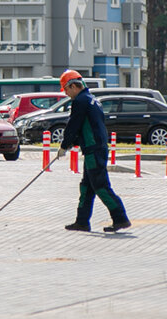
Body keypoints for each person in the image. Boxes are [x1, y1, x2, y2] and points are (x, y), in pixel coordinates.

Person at [55, 70, 132, 233]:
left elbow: (73, 125)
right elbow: (86, 127)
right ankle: (82, 222)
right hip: (96, 148)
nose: (67, 94)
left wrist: (64, 145)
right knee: (87, 187)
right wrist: (73, 144)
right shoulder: (92, 100)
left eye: (66, 90)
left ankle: (120, 218)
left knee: (101, 186)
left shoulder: (80, 101)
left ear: (73, 86)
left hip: (93, 150)